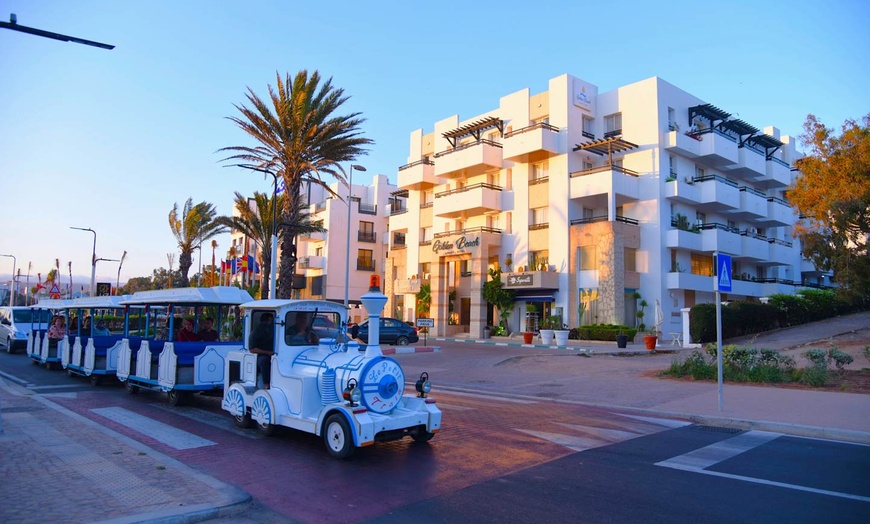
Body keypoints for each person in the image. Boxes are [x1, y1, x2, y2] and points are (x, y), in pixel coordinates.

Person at [249, 312, 275, 389]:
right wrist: (267, 352)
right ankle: (267, 384)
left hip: (274, 353)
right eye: (269, 321)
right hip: (260, 355)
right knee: (264, 361)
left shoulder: (274, 331)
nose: (270, 323)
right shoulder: (255, 332)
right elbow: (252, 349)